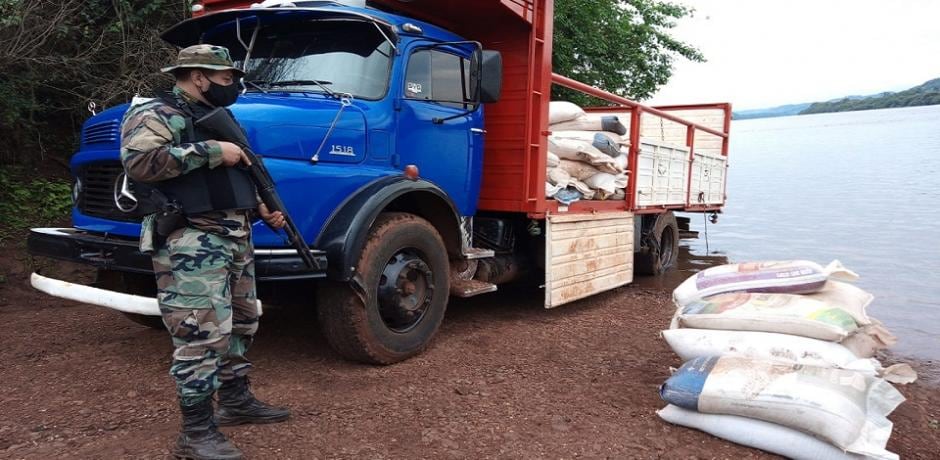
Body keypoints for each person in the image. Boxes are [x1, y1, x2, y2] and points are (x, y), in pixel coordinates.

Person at [119, 44, 290, 460]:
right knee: (201, 334)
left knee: (242, 324)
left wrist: (262, 204)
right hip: (190, 238)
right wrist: (213, 152)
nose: (234, 86)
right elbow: (138, 163)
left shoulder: (220, 116)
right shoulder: (155, 112)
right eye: (227, 78)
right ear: (198, 76)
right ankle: (196, 435)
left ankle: (235, 401)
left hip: (233, 234)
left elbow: (241, 169)